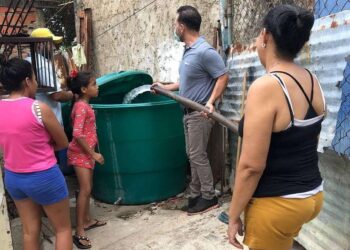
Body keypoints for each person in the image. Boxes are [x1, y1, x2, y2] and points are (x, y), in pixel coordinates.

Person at [227, 5, 325, 250]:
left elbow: (251, 166)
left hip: (278, 203)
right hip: (312, 195)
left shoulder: (266, 87)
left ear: (266, 37)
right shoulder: (312, 81)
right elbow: (308, 139)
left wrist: (232, 214)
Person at [153, 5, 229, 215]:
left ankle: (209, 196)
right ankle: (196, 194)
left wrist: (211, 102)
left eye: (175, 24)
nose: (174, 28)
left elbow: (223, 76)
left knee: (197, 155)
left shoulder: (204, 51)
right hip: (187, 113)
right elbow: (185, 83)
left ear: (182, 26)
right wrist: (164, 87)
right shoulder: (188, 51)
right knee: (193, 154)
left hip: (199, 114)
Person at [0, 57, 72, 249]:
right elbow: (63, 142)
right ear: (27, 81)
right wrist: (46, 147)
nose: (36, 82)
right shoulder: (39, 108)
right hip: (44, 177)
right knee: (63, 230)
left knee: (29, 231)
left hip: (14, 178)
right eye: (34, 77)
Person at [66, 70, 106, 249]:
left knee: (87, 189)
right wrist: (93, 154)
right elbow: (77, 133)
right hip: (81, 154)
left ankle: (87, 221)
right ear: (83, 89)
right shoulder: (82, 106)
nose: (97, 88)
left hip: (84, 153)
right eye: (93, 85)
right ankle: (80, 231)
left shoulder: (82, 104)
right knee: (85, 189)